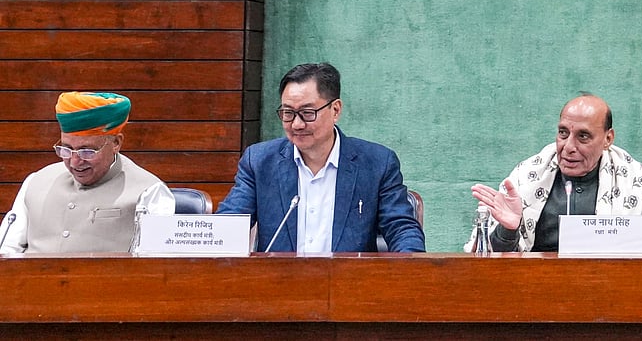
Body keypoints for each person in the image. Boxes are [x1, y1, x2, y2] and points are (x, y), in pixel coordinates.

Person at [217, 62, 424, 253]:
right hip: (279, 279)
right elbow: (227, 227)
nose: (297, 124)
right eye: (288, 113)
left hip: (349, 279)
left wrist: (412, 269)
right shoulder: (259, 162)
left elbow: (402, 229)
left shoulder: (377, 163)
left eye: (307, 113)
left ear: (335, 110)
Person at [468, 93, 642, 252]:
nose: (568, 147)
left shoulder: (638, 181)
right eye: (563, 133)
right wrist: (508, 230)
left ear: (608, 139)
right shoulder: (526, 177)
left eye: (583, 136)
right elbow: (491, 265)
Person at [1, 92, 174, 254]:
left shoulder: (150, 192)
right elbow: (7, 250)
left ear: (116, 143)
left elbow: (155, 265)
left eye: (87, 151)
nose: (75, 162)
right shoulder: (36, 181)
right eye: (66, 149)